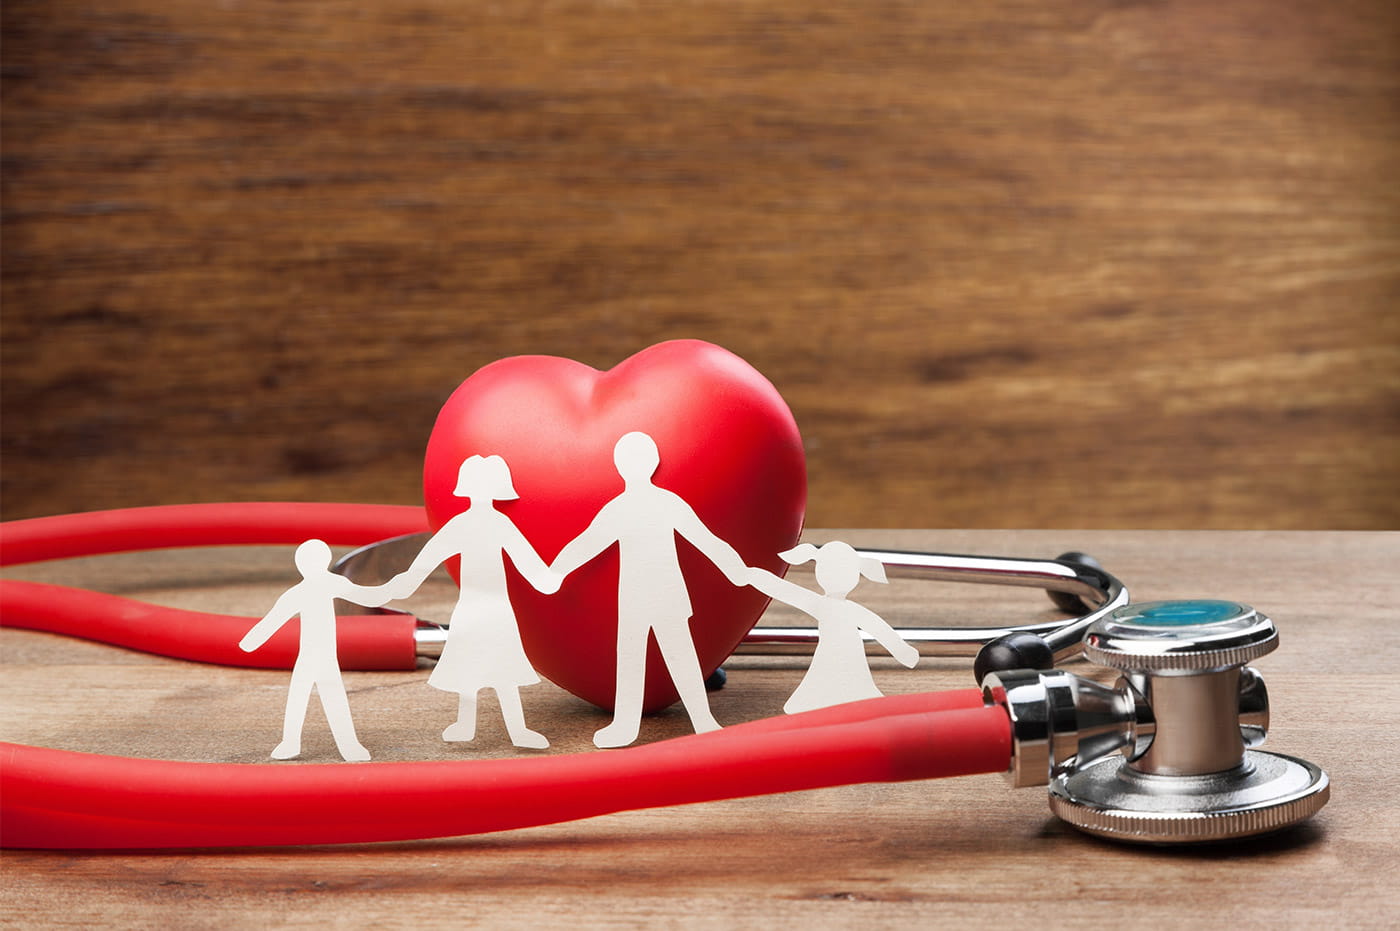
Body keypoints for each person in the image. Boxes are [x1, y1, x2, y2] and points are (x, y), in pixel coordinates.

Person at [552, 431, 748, 748]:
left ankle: (699, 719)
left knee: (668, 657)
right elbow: (586, 543)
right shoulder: (649, 504)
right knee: (644, 658)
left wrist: (735, 569)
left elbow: (704, 539)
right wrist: (556, 571)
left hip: (659, 595)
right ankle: (634, 725)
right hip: (640, 598)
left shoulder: (640, 505)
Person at [387, 454, 560, 749]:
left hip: (491, 608)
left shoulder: (476, 525)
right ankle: (471, 725)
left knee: (498, 668)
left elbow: (530, 565)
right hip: (477, 607)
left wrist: (554, 576)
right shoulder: (483, 524)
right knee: (473, 666)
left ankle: (514, 730)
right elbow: (424, 563)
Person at [238, 538, 396, 762]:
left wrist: (390, 590)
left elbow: (271, 622)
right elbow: (272, 621)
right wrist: (391, 590)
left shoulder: (311, 588)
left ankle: (340, 745)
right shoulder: (315, 588)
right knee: (310, 697)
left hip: (320, 657)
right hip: (312, 656)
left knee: (315, 697)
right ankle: (300, 743)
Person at [747, 541, 918, 714]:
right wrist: (757, 577)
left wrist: (902, 649)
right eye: (831, 569)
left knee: (852, 681)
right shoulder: (820, 604)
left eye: (844, 570)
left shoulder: (845, 608)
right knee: (826, 678)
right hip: (831, 653)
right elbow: (786, 590)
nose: (837, 576)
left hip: (850, 655)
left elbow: (878, 627)